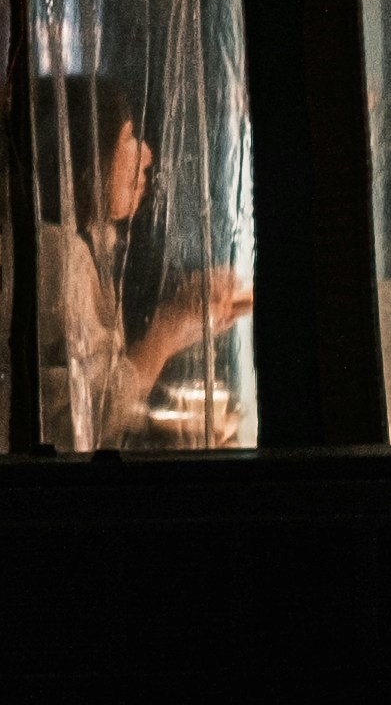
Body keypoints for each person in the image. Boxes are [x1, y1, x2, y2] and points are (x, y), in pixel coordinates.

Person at [35, 90, 247, 453]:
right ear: (87, 156)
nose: (147, 153)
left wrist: (183, 314)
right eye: (128, 136)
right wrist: (165, 333)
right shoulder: (57, 253)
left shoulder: (93, 243)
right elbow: (79, 421)